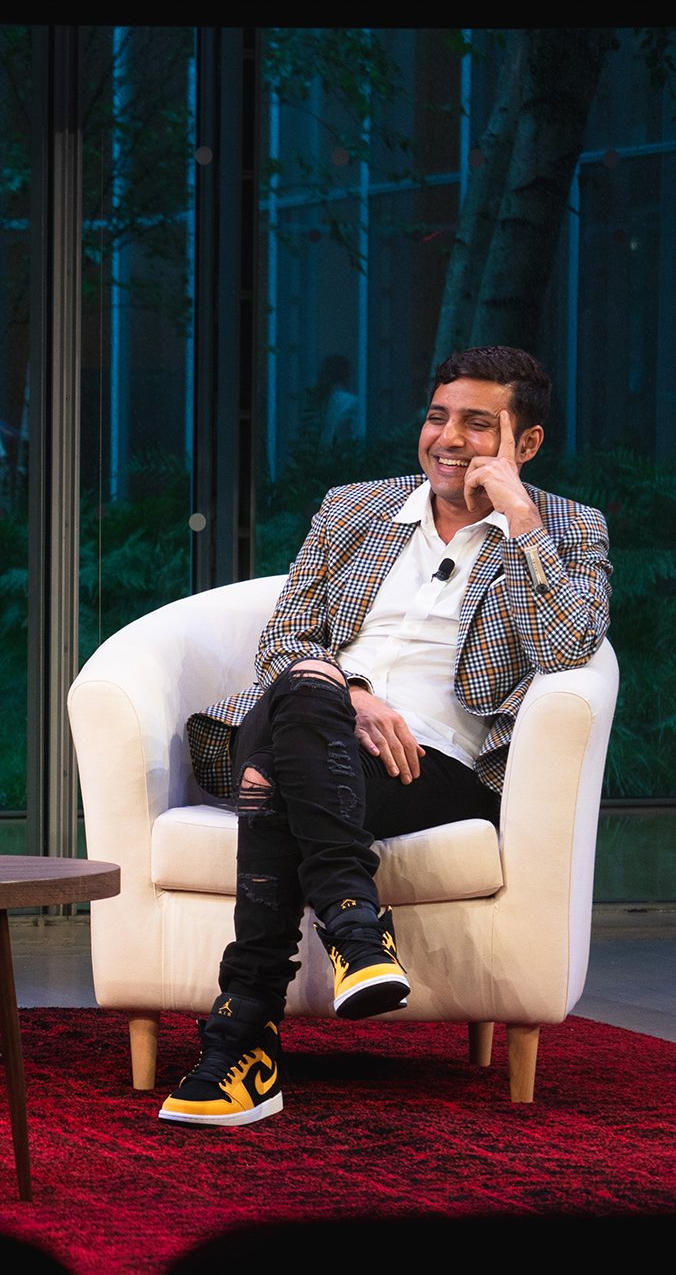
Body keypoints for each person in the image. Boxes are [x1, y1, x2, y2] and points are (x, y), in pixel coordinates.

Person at [160, 345, 611, 1127]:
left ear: (524, 445)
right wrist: (355, 693)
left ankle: (242, 1044)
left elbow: (571, 647)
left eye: (477, 424)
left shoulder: (568, 529)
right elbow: (284, 641)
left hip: (435, 766)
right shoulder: (354, 508)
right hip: (319, 721)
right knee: (305, 689)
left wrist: (523, 521)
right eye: (438, 416)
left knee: (271, 784)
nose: (447, 438)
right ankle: (353, 930)